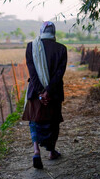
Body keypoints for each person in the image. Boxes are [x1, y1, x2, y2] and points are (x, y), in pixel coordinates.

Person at [22, 21, 67, 169]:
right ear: (53, 32)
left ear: (41, 31)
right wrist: (48, 91)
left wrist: (40, 92)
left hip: (35, 92)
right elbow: (59, 74)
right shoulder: (62, 49)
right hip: (53, 94)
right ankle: (52, 151)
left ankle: (36, 151)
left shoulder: (31, 47)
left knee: (34, 120)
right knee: (53, 122)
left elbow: (32, 72)